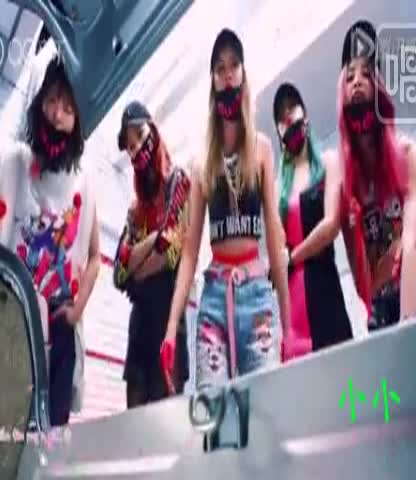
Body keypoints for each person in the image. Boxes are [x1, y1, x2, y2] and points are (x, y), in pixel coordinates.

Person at [0, 55, 101, 426]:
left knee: (48, 438)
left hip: (58, 329)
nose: (57, 114)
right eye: (52, 99)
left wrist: (77, 310)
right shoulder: (13, 163)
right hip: (8, 316)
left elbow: (95, 258)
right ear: (40, 101)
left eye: (69, 107)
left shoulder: (85, 183)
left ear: (79, 121)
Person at [160, 28, 291, 390]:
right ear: (213, 81)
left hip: (257, 294)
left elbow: (274, 235)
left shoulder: (262, 150)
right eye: (220, 67)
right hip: (215, 297)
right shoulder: (201, 161)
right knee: (211, 407)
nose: (228, 73)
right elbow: (189, 252)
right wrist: (171, 327)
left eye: (234, 65)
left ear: (244, 73)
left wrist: (289, 322)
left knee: (265, 401)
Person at [338, 20, 416, 330]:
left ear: (379, 85)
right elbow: (359, 273)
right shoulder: (348, 186)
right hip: (382, 305)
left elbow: (412, 244)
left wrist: (407, 324)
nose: (357, 82)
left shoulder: (408, 155)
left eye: (366, 73)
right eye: (350, 76)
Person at [113, 100, 190, 408]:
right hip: (140, 329)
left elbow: (171, 252)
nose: (136, 150)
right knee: (133, 421)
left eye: (140, 136)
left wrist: (136, 270)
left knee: (167, 422)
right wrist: (155, 239)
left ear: (153, 131)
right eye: (130, 147)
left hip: (169, 321)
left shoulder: (178, 182)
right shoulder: (135, 210)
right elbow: (119, 274)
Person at [273, 82, 353, 358]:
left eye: (291, 106)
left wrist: (293, 257)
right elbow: (277, 250)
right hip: (292, 299)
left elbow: (331, 225)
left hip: (325, 285)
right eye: (280, 114)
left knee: (342, 372)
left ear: (304, 113)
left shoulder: (329, 162)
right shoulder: (278, 187)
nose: (287, 115)